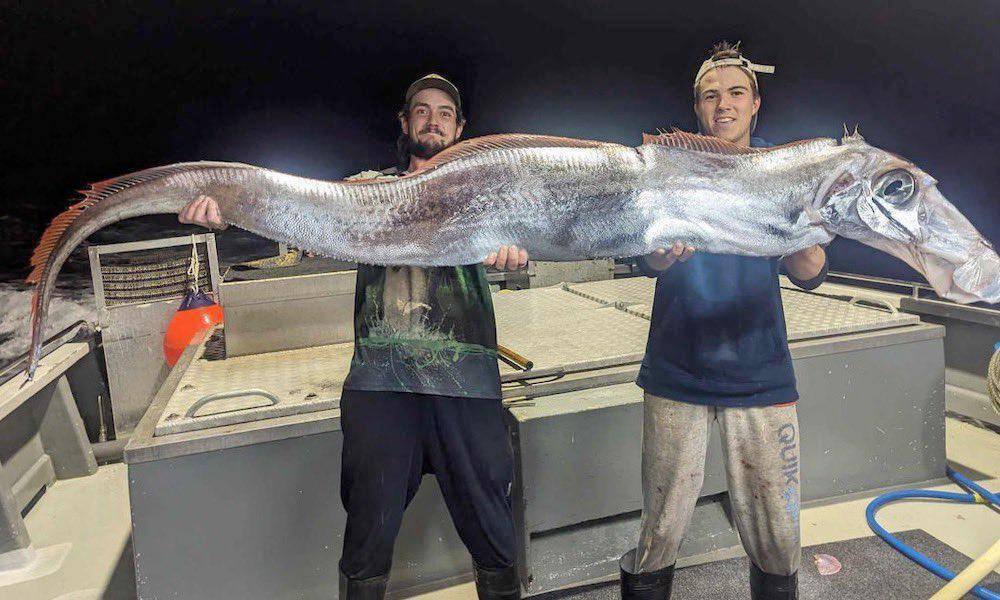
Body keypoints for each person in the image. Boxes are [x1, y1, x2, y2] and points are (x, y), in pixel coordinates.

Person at [179, 74, 525, 600]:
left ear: (462, 128)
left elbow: (538, 234)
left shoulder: (489, 194)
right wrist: (228, 212)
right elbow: (298, 216)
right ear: (405, 122)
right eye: (422, 110)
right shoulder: (366, 189)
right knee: (368, 529)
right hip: (379, 382)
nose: (433, 120)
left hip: (468, 382)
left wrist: (516, 249)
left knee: (492, 529)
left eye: (445, 112)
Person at [618, 42, 828, 600]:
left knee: (778, 539)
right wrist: (660, 256)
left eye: (737, 93)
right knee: (659, 532)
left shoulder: (783, 171)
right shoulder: (668, 171)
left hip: (761, 374)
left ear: (756, 103)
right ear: (697, 109)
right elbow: (646, 257)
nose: (724, 105)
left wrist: (804, 235)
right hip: (676, 371)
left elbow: (811, 270)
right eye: (711, 96)